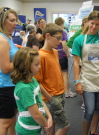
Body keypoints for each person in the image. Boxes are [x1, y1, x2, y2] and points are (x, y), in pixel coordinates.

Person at [34, 23, 70, 135]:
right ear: (48, 36)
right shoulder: (41, 56)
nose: (60, 42)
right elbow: (37, 82)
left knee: (52, 122)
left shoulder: (54, 51)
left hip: (59, 93)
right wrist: (50, 98)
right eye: (58, 38)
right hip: (50, 96)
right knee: (65, 126)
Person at [11, 47, 53, 135]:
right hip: (27, 131)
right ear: (25, 66)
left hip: (36, 127)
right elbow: (36, 115)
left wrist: (49, 116)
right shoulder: (24, 88)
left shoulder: (33, 81)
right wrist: (46, 126)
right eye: (36, 65)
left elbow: (40, 101)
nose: (40, 67)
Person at [0, 7, 19, 135]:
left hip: (12, 84)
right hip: (5, 87)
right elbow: (6, 68)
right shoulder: (2, 40)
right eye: (12, 21)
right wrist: (22, 60)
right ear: (2, 21)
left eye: (15, 20)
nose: (15, 23)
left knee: (12, 120)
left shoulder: (8, 38)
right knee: (5, 123)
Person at [55, 17, 76, 98]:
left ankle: (59, 90)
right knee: (64, 74)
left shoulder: (53, 32)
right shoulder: (62, 32)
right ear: (61, 24)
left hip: (54, 55)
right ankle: (66, 91)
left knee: (56, 73)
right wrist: (67, 53)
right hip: (61, 55)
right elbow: (64, 44)